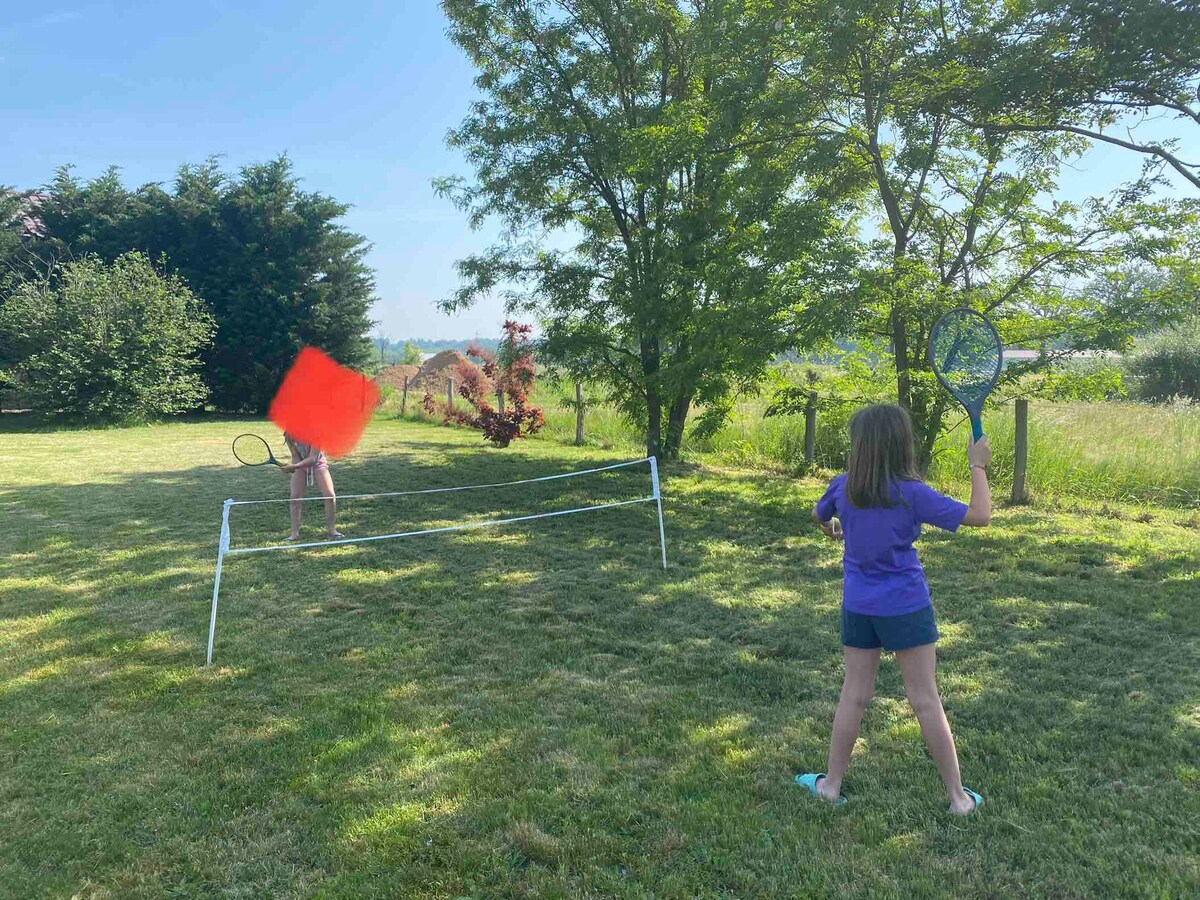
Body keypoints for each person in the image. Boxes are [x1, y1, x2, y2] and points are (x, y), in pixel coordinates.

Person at [796, 403, 992, 816]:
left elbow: (818, 514)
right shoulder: (912, 493)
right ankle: (958, 799)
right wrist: (977, 465)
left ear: (860, 447)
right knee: (925, 699)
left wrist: (834, 527)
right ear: (903, 445)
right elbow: (981, 515)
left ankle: (830, 786)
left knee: (855, 695)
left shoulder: (843, 487)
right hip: (906, 606)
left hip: (859, 607)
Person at [281, 432, 343, 541]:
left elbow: (313, 458)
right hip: (300, 464)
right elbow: (295, 456)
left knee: (329, 496)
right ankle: (294, 534)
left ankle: (332, 531)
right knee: (294, 498)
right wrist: (293, 467)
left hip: (318, 464)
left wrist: (295, 466)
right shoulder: (289, 434)